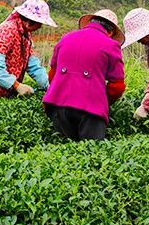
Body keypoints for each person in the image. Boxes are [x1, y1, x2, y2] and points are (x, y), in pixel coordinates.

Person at [42, 9, 126, 140]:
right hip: (90, 110)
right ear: (111, 32)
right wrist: (104, 101)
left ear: (90, 22)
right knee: (90, 155)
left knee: (63, 152)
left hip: (57, 105)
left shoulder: (65, 38)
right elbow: (117, 86)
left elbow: (52, 74)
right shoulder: (111, 45)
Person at [0, 0, 56, 98]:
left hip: (7, 90)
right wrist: (17, 85)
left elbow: (32, 64)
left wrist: (48, 85)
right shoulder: (7, 31)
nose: (40, 27)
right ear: (29, 22)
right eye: (39, 23)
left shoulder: (25, 35)